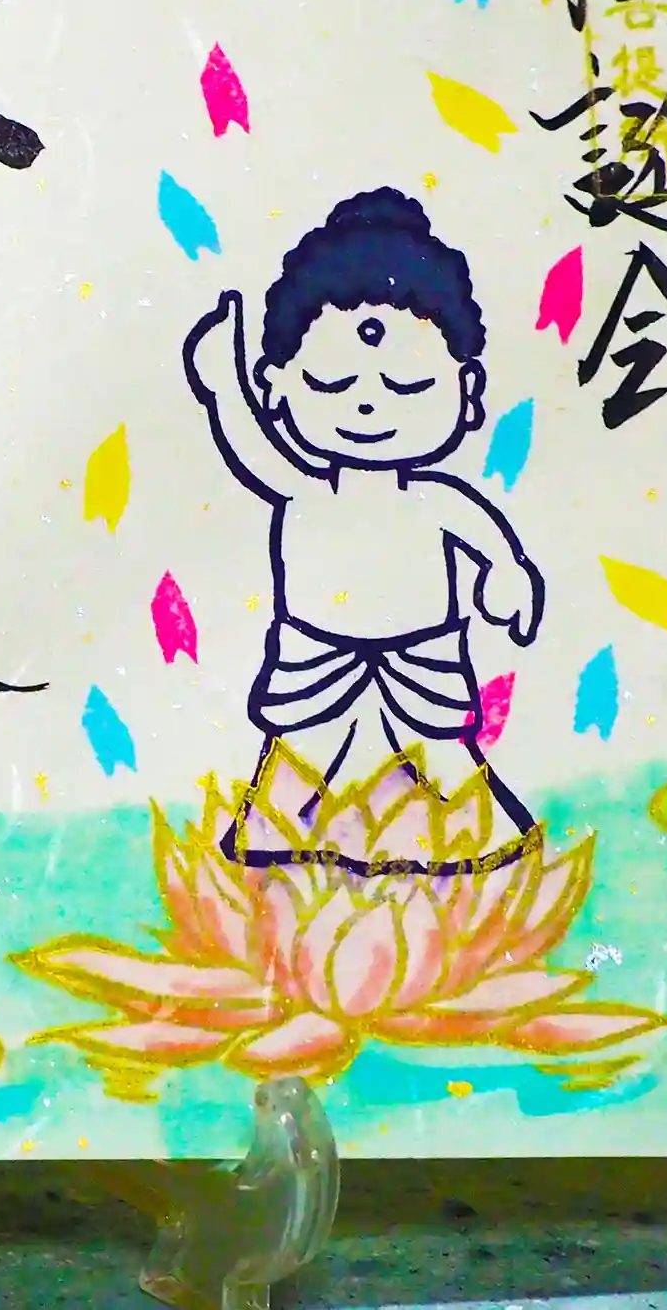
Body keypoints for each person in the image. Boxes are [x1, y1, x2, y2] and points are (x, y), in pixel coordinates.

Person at [182, 188, 543, 875]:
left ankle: (473, 841)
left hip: (423, 657)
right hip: (315, 656)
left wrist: (508, 575)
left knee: (442, 758)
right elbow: (248, 442)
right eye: (331, 383)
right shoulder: (299, 485)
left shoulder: (437, 501)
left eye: (408, 387)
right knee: (301, 755)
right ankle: (277, 843)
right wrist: (222, 383)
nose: (369, 405)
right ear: (277, 385)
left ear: (467, 391)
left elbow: (491, 544)